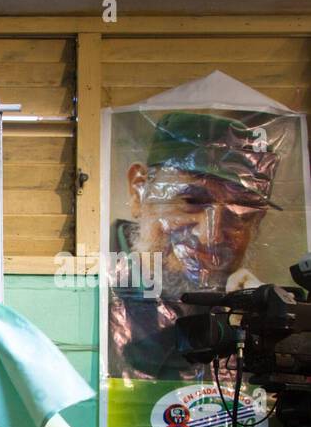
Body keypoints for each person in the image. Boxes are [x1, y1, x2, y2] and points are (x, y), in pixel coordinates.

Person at [106, 111, 281, 380]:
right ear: (139, 191)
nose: (210, 237)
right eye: (191, 201)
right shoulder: (91, 289)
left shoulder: (253, 311)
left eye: (238, 215)